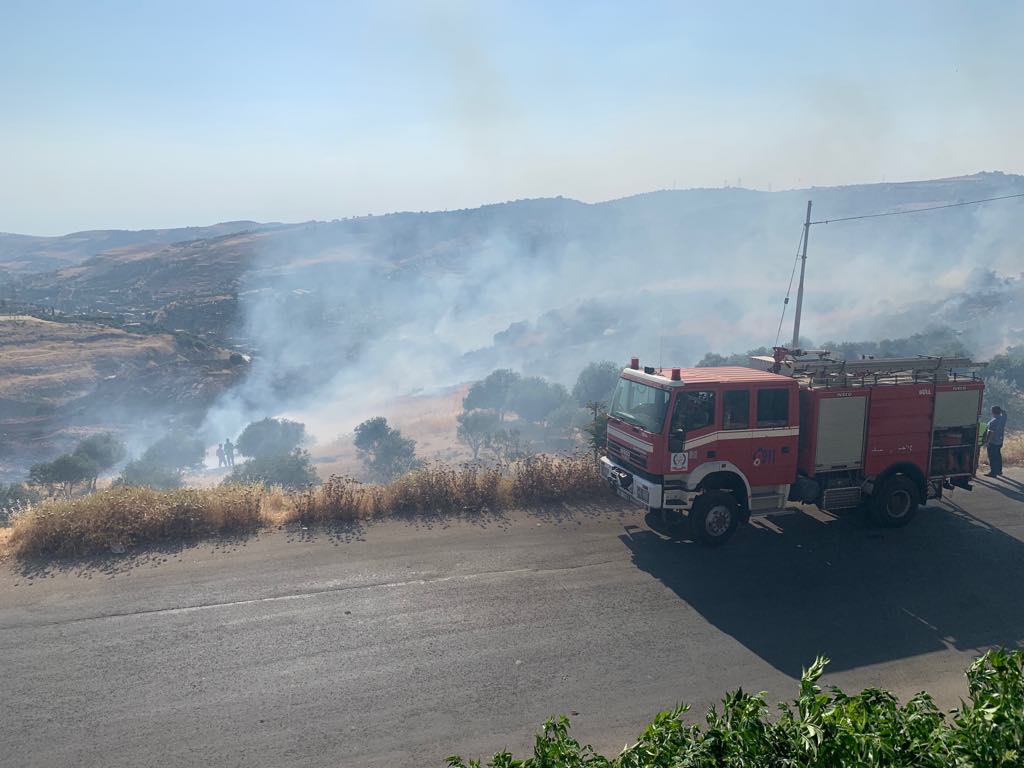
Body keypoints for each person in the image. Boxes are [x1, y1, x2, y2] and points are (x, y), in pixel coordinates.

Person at [984, 405, 1007, 478]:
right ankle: (999, 471)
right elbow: (1005, 413)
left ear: (992, 412)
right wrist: (1001, 410)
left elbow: (991, 433)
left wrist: (987, 442)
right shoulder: (1002, 418)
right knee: (998, 456)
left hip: (993, 442)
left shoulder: (993, 421)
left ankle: (993, 472)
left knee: (992, 457)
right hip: (1000, 441)